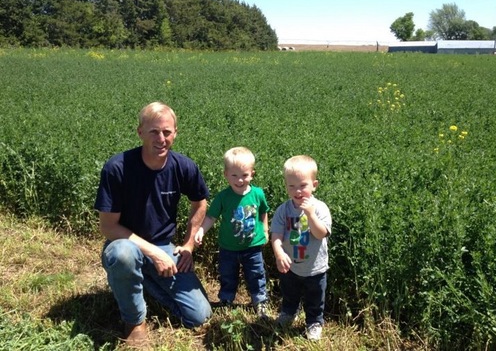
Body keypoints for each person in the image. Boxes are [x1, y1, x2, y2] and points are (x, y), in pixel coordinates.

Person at [94, 102, 212, 348]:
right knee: (124, 256)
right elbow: (108, 227)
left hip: (164, 247)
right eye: (154, 132)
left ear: (175, 133)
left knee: (199, 316)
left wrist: (189, 245)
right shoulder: (118, 168)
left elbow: (200, 203)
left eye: (167, 132)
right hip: (126, 244)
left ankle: (135, 280)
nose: (161, 138)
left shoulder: (183, 166)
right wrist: (155, 253)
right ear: (140, 132)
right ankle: (134, 320)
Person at [194, 147, 270, 319]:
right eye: (234, 175)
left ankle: (260, 301)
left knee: (257, 274)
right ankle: (226, 300)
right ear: (226, 174)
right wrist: (201, 230)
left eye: (244, 175)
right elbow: (211, 217)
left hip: (253, 246)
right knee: (227, 274)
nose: (240, 180)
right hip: (228, 247)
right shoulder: (223, 197)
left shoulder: (258, 194)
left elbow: (264, 211)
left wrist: (265, 229)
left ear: (252, 174)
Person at [270, 155, 332, 341]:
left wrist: (311, 215)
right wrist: (279, 252)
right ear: (286, 186)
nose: (297, 191)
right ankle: (289, 312)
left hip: (316, 268)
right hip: (290, 266)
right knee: (289, 294)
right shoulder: (283, 210)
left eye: (303, 186)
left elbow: (321, 234)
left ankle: (314, 322)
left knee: (315, 299)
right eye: (292, 186)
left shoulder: (320, 208)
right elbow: (276, 235)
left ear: (314, 185)